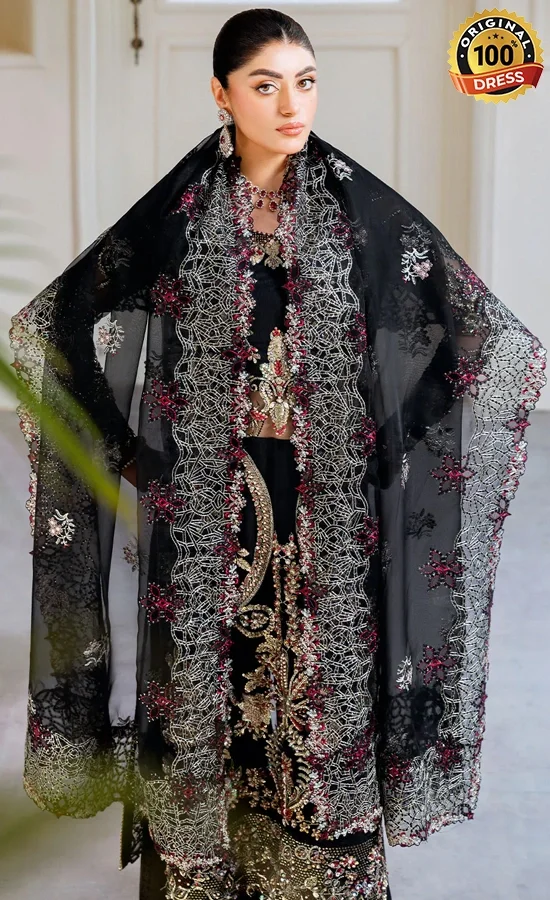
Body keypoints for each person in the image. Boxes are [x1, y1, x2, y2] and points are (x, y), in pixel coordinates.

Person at [9, 8, 547, 900]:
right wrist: (126, 453)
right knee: (205, 683)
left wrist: (390, 448)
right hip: (204, 510)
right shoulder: (179, 216)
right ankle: (201, 868)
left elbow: (485, 341)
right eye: (266, 85)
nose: (292, 104)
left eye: (306, 82)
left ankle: (320, 865)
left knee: (319, 686)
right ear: (222, 95)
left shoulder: (358, 211)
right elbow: (53, 325)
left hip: (324, 512)